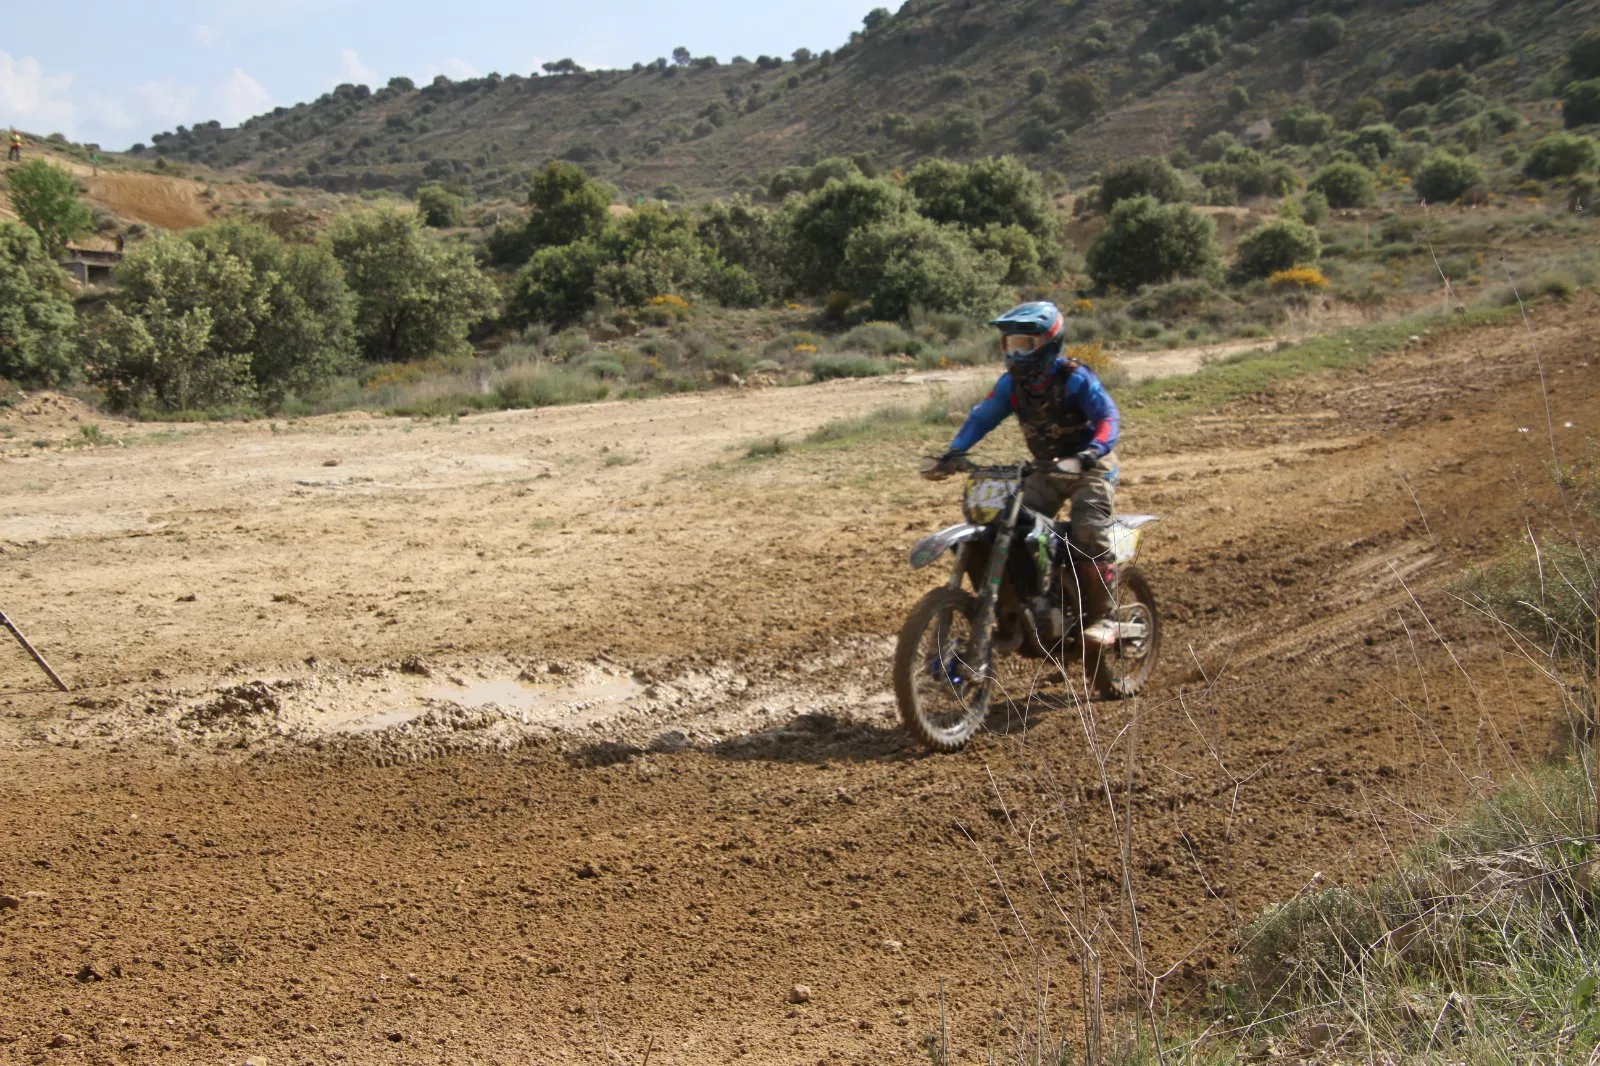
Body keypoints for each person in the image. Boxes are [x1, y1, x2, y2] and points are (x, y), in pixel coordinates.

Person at [924, 301, 1123, 645]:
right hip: (1045, 470)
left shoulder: (1075, 378)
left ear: (1049, 343)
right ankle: (1023, 604)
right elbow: (982, 417)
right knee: (1003, 524)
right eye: (1010, 345)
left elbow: (1108, 417)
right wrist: (954, 452)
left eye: (1025, 346)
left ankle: (1106, 615)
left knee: (1088, 532)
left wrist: (1091, 452)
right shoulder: (1011, 386)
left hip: (1090, 468)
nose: (1016, 355)